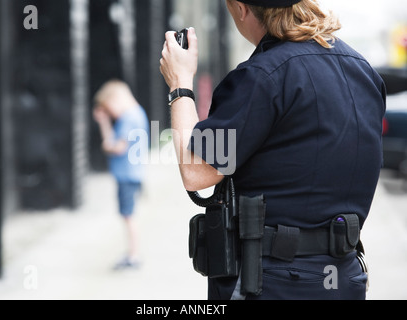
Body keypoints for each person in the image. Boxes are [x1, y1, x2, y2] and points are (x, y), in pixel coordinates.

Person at [160, 0, 386, 300]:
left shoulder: (262, 75)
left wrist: (180, 85)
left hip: (272, 281)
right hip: (343, 278)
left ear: (241, 8)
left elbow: (196, 172)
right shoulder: (363, 70)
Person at [93, 80, 149, 270]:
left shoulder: (128, 118)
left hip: (127, 175)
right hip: (134, 173)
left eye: (110, 109)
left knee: (128, 215)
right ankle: (132, 254)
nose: (111, 114)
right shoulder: (138, 113)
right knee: (129, 214)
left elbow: (114, 147)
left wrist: (104, 123)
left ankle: (133, 256)